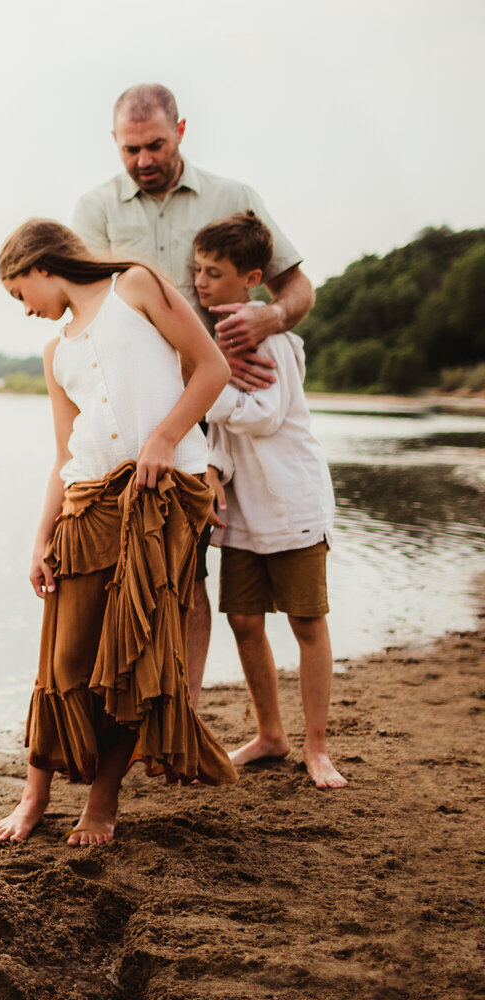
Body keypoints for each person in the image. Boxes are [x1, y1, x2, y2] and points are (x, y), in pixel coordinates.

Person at [0, 219, 238, 848]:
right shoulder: (57, 353)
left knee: (137, 659)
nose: (25, 310)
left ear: (40, 265)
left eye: (19, 293)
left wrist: (164, 438)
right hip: (88, 505)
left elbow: (212, 368)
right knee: (65, 655)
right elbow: (62, 455)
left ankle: (102, 806)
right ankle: (33, 795)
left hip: (163, 501)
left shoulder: (137, 286)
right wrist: (40, 539)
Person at [72, 83, 317, 711]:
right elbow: (83, 313)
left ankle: (182, 710)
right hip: (127, 412)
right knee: (117, 564)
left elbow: (297, 288)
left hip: (212, 411)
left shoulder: (235, 198)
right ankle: (126, 709)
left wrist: (270, 320)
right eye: (131, 149)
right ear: (114, 142)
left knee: (190, 572)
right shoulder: (94, 210)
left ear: (181, 130)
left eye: (155, 144)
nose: (144, 159)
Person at [192, 212, 344, 789]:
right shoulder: (214, 342)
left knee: (307, 622)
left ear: (251, 278)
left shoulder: (273, 340)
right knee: (244, 620)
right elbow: (228, 438)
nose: (201, 282)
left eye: (214, 272)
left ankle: (318, 747)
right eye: (198, 270)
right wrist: (209, 467)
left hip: (294, 506)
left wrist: (203, 389)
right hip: (243, 514)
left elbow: (262, 416)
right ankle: (271, 734)